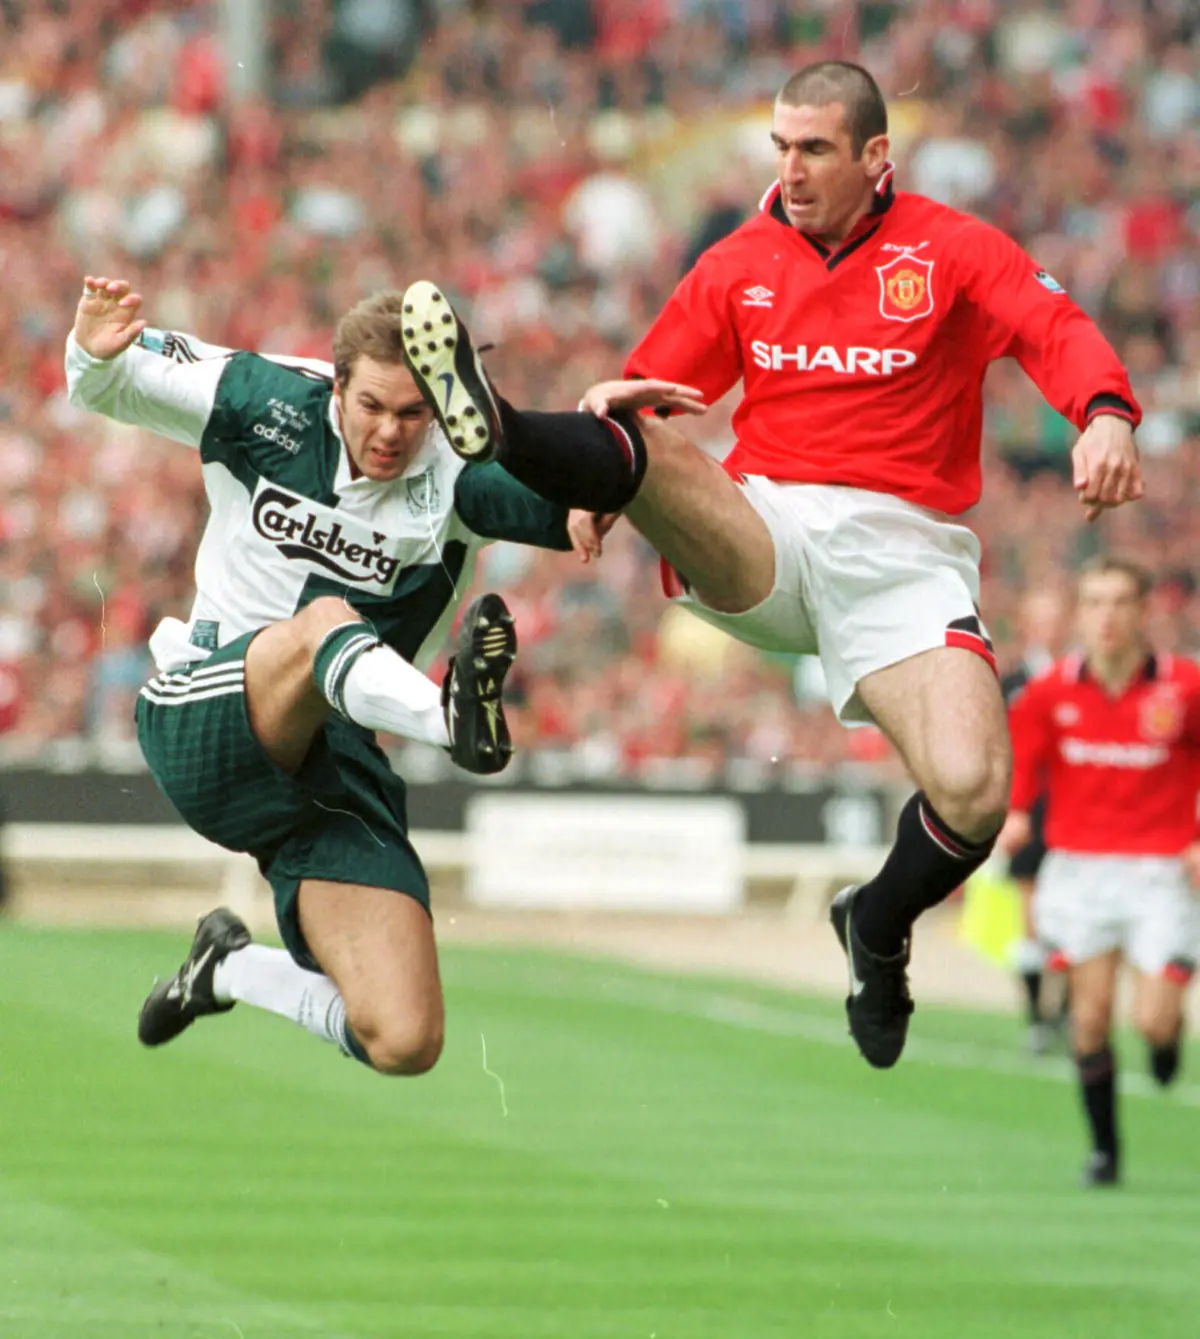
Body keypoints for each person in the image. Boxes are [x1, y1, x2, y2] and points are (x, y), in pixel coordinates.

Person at [396, 60, 1144, 1069]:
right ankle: (498, 422)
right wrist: (594, 486)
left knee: (973, 789)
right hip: (771, 531)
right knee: (643, 434)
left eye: (815, 149)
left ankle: (874, 926)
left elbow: (1056, 326)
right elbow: (646, 394)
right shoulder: (737, 261)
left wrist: (1102, 413)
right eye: (781, 148)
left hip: (906, 559)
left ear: (877, 157)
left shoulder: (953, 250)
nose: (790, 168)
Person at [66, 276, 580, 1077]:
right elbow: (107, 381)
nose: (391, 432)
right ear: (334, 384)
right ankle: (456, 721)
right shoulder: (262, 396)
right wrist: (88, 349)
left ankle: (225, 968)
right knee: (324, 628)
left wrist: (610, 466)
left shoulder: (457, 475)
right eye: (371, 405)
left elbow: (581, 506)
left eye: (415, 414)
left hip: (332, 763)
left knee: (405, 1039)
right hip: (206, 715)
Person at [999, 559, 1200, 1187]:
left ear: (1145, 612)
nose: (1106, 616)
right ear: (1079, 613)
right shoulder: (1049, 692)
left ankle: (1166, 1045)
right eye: (1093, 602)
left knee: (1152, 1020)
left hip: (1159, 872)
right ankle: (1105, 1152)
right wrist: (1013, 817)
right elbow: (1023, 768)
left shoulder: (1185, 688)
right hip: (1081, 872)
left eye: (1119, 602)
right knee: (1087, 1020)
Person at [1002, 586, 1072, 1052]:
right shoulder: (1010, 681)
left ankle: (1065, 1012)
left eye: (1056, 617)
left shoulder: (1081, 677)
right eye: (1040, 619)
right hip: (1029, 812)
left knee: (1072, 914)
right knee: (1031, 916)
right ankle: (1037, 1016)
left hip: (1076, 812)